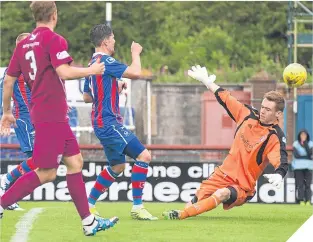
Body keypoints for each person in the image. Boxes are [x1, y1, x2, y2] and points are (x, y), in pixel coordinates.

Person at [0, 1, 118, 236]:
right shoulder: (54, 39)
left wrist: (6, 112)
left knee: (75, 163)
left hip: (49, 114)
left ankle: (88, 222)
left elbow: (10, 79)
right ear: (54, 15)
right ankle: (2, 202)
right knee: (47, 173)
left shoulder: (23, 45)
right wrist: (91, 70)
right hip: (50, 114)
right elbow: (64, 72)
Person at [162, 65, 288, 220]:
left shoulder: (274, 136)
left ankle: (181, 215)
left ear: (278, 114)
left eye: (268, 109)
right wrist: (207, 82)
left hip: (243, 186)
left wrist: (280, 174)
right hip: (222, 174)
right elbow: (226, 98)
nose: (262, 111)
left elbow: (280, 158)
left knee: (222, 193)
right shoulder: (247, 115)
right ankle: (182, 214)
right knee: (193, 202)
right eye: (262, 107)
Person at [83, 23, 157, 221]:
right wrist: (136, 53)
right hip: (109, 122)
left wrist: (113, 86)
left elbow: (87, 97)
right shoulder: (106, 60)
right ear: (106, 41)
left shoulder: (92, 63)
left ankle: (88, 205)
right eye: (113, 38)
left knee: (118, 167)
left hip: (100, 122)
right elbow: (136, 73)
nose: (114, 41)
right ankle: (137, 207)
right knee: (144, 156)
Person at [0, 33, 36, 211]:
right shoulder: (13, 69)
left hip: (38, 117)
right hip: (24, 118)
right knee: (37, 160)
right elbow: (3, 89)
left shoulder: (32, 67)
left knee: (40, 161)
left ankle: (7, 192)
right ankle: (5, 183)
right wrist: (4, 114)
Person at [291, 129, 313, 205]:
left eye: (305, 135)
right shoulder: (295, 144)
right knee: (300, 184)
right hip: (298, 167)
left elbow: (310, 154)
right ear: (299, 136)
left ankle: (308, 200)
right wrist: (307, 156)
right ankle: (300, 200)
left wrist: (305, 143)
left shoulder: (310, 144)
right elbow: (296, 155)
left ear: (307, 136)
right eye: (302, 135)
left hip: (308, 167)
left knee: (307, 185)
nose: (303, 136)